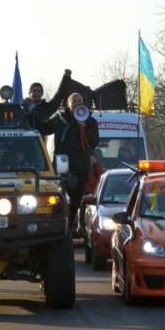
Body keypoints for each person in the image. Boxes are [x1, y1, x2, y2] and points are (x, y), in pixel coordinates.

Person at [46, 92, 99, 228]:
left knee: (75, 201)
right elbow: (45, 128)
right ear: (68, 105)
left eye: (79, 100)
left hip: (80, 169)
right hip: (62, 167)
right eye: (74, 101)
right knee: (59, 201)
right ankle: (58, 226)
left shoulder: (90, 121)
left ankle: (69, 227)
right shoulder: (60, 119)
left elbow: (93, 142)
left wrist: (83, 126)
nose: (77, 103)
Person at [22, 69, 72, 136]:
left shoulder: (45, 108)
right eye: (34, 91)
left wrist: (66, 77)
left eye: (39, 91)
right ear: (29, 93)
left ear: (42, 94)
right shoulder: (22, 108)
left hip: (38, 144)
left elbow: (58, 97)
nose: (36, 93)